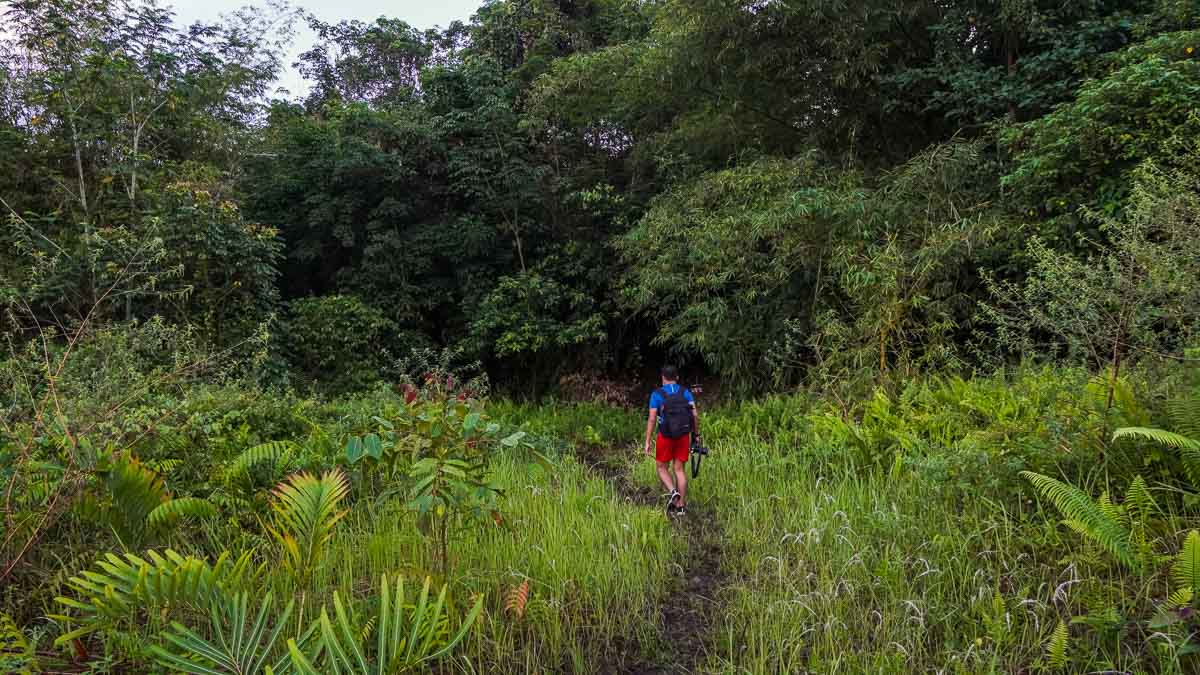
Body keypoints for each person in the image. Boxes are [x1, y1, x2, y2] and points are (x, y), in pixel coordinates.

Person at [642, 365, 700, 516]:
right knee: (679, 470)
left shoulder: (657, 394)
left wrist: (648, 441)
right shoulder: (685, 392)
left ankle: (673, 492)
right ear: (677, 377)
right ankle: (680, 507)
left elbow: (652, 418)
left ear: (662, 377)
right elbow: (694, 415)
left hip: (665, 436)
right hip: (683, 435)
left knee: (661, 468)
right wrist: (696, 434)